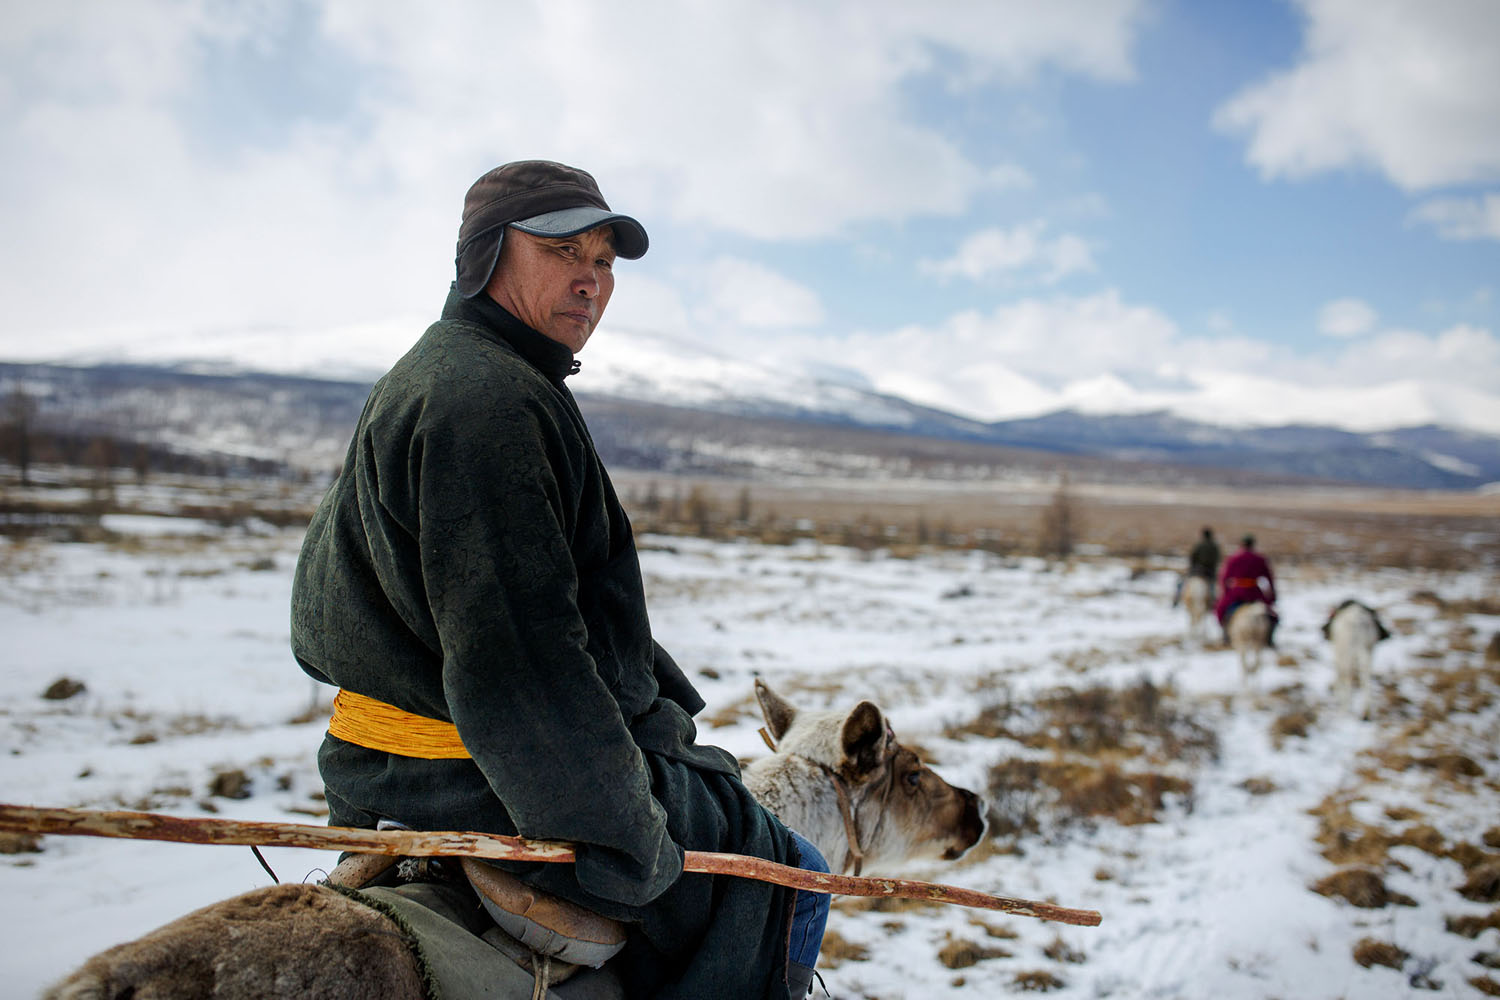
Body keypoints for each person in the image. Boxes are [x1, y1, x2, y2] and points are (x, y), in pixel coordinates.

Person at [290, 160, 827, 999]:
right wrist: (627, 837)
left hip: (391, 757)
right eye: (563, 250)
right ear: (486, 256)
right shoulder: (486, 403)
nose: (591, 280)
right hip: (474, 773)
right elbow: (520, 667)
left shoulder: (460, 371)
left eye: (605, 260)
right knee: (792, 878)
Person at [1215, 533, 1278, 645]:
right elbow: (1269, 578)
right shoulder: (1260, 559)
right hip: (1255, 592)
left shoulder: (1234, 558)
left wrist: (1226, 593)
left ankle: (1226, 635)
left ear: (1242, 544)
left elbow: (1224, 577)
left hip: (1237, 592)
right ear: (1253, 544)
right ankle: (1269, 639)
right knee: (1272, 615)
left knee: (1221, 609)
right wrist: (1271, 596)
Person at [1173, 526, 1220, 607]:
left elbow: (1192, 558)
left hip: (1196, 571)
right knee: (1212, 589)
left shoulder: (1199, 545)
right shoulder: (1215, 547)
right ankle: (1213, 604)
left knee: (1181, 583)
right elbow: (1217, 559)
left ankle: (1176, 600)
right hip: (1210, 572)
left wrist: (1192, 567)